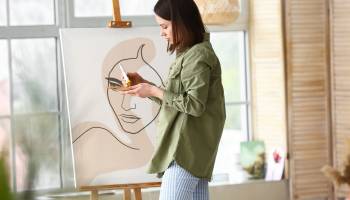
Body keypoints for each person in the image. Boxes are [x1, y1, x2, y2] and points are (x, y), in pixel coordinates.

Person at [124, 0, 226, 199]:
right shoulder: (190, 54)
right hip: (190, 151)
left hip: (184, 151)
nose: (162, 33)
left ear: (182, 23)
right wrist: (147, 86)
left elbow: (194, 105)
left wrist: (154, 90)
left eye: (164, 26)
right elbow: (180, 104)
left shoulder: (198, 56)